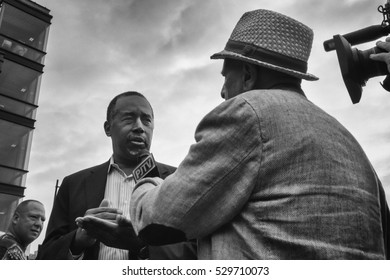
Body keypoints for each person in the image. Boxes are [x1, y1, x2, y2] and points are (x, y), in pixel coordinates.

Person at [127, 9, 389, 259]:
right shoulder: (348, 139)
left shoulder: (246, 113)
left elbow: (161, 218)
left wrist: (148, 185)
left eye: (225, 77)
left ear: (248, 75)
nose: (222, 92)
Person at [37, 91, 196, 260]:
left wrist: (143, 245)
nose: (139, 127)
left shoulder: (177, 179)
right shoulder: (73, 184)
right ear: (108, 128)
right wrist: (78, 240)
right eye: (129, 118)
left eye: (146, 120)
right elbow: (46, 256)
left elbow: (197, 249)